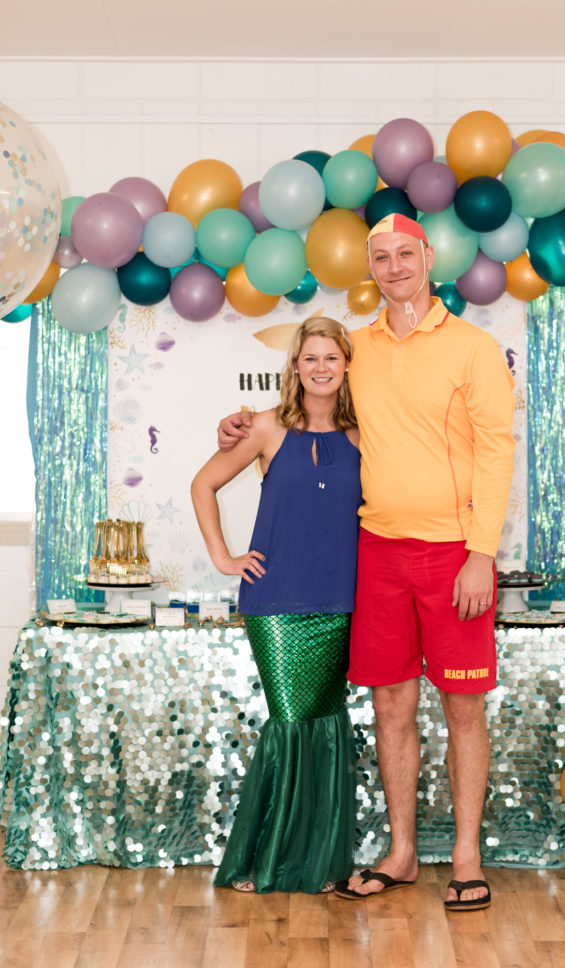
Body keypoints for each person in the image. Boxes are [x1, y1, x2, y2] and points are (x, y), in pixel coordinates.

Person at [218, 213, 515, 911]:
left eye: (404, 254)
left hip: (454, 554)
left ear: (428, 257)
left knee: (464, 709)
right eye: (380, 257)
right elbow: (306, 407)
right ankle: (404, 852)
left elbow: (499, 452)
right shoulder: (362, 351)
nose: (393, 267)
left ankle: (467, 857)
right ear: (371, 268)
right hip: (376, 553)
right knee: (390, 705)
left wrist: (482, 553)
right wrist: (238, 424)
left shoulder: (473, 348)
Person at [192, 315, 362, 894]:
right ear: (294, 367)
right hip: (275, 599)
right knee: (291, 722)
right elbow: (203, 485)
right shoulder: (266, 428)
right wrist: (224, 556)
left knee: (325, 723)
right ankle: (267, 858)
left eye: (331, 359)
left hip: (343, 598)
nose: (320, 368)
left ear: (346, 367)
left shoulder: (367, 434)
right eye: (309, 358)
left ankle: (318, 859)